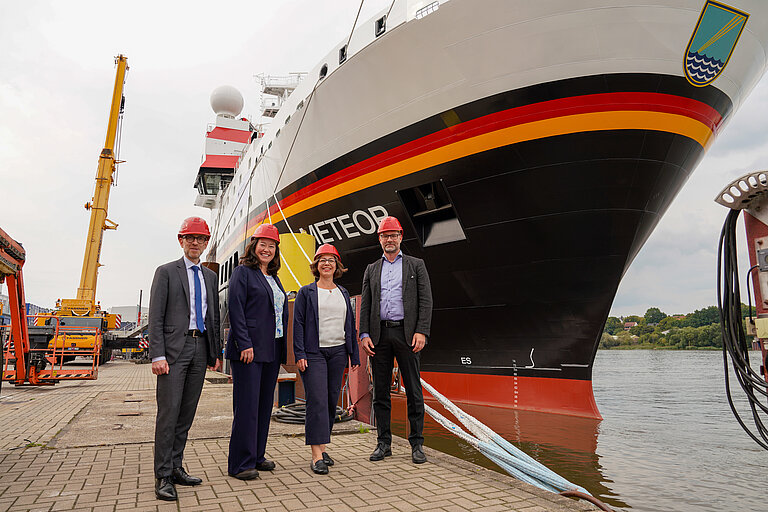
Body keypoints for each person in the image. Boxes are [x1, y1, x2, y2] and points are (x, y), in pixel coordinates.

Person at [149, 217, 222, 501]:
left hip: (199, 348)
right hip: (173, 352)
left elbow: (213, 317)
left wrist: (213, 353)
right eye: (190, 237)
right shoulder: (166, 272)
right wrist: (158, 354)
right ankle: (163, 475)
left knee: (186, 414)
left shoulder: (210, 277)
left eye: (200, 239)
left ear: (206, 243)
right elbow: (155, 316)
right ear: (181, 241)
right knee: (168, 414)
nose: (195, 243)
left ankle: (176, 466)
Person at [360, 216, 433, 464]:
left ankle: (417, 444)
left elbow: (426, 300)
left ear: (401, 237)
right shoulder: (371, 269)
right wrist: (364, 334)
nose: (389, 239)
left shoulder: (416, 265)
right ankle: (384, 443)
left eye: (393, 235)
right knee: (380, 392)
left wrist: (421, 330)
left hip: (407, 333)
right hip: (379, 335)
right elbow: (366, 305)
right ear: (379, 239)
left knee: (413, 390)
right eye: (384, 236)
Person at [225, 223, 288, 480]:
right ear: (254, 246)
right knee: (247, 406)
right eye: (262, 244)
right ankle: (240, 463)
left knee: (263, 406)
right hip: (249, 350)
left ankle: (257, 455)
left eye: (271, 246)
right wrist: (244, 343)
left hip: (271, 349)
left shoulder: (274, 278)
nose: (267, 249)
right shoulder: (243, 273)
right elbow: (236, 310)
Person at [293, 244, 361, 475]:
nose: (326, 263)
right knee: (317, 401)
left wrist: (354, 354)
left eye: (331, 260)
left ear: (337, 265)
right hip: (314, 353)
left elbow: (350, 325)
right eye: (322, 259)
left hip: (338, 352)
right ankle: (315, 455)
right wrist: (300, 354)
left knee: (331, 401)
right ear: (316, 265)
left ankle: (322, 447)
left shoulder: (342, 292)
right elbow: (299, 324)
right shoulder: (306, 292)